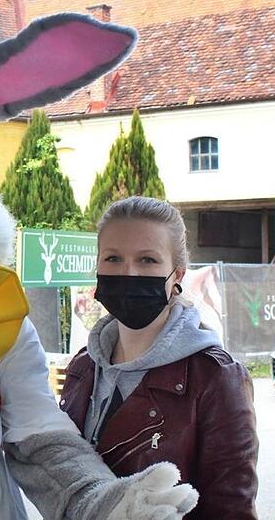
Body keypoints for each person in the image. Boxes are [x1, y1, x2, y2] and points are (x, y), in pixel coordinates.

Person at [59, 196, 258, 519]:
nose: (129, 273)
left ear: (177, 275)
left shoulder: (215, 377)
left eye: (148, 260)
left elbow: (231, 509)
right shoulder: (83, 367)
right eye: (113, 258)